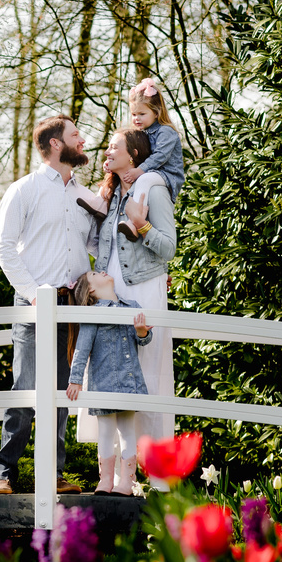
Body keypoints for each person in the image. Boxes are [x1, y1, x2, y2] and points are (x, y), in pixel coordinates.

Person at [0, 115, 94, 496]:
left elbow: (97, 246)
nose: (82, 140)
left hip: (73, 307)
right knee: (26, 388)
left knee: (63, 391)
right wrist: (33, 293)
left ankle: (53, 472)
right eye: (75, 135)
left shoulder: (85, 196)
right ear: (55, 144)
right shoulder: (24, 190)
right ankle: (3, 475)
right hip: (34, 303)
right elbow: (3, 247)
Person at [93, 127, 177, 455]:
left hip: (145, 292)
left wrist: (142, 226)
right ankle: (119, 471)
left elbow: (168, 248)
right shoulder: (111, 195)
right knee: (112, 374)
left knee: (148, 377)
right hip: (112, 297)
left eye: (115, 147)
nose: (107, 152)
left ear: (135, 155)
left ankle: (155, 472)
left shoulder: (153, 189)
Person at [65, 271, 152, 495]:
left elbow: (143, 339)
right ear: (91, 289)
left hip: (128, 380)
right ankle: (105, 481)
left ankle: (127, 482)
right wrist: (75, 379)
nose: (102, 271)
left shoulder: (132, 306)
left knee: (127, 431)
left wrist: (142, 332)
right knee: (105, 431)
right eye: (95, 273)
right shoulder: (93, 314)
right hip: (102, 383)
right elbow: (82, 349)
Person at [76, 77, 186, 240]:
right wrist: (110, 164)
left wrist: (139, 171)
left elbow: (160, 156)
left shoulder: (166, 132)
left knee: (143, 180)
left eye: (142, 114)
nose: (136, 119)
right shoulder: (143, 134)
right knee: (116, 175)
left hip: (167, 174)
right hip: (152, 172)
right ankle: (100, 203)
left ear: (156, 113)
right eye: (134, 114)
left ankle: (134, 223)